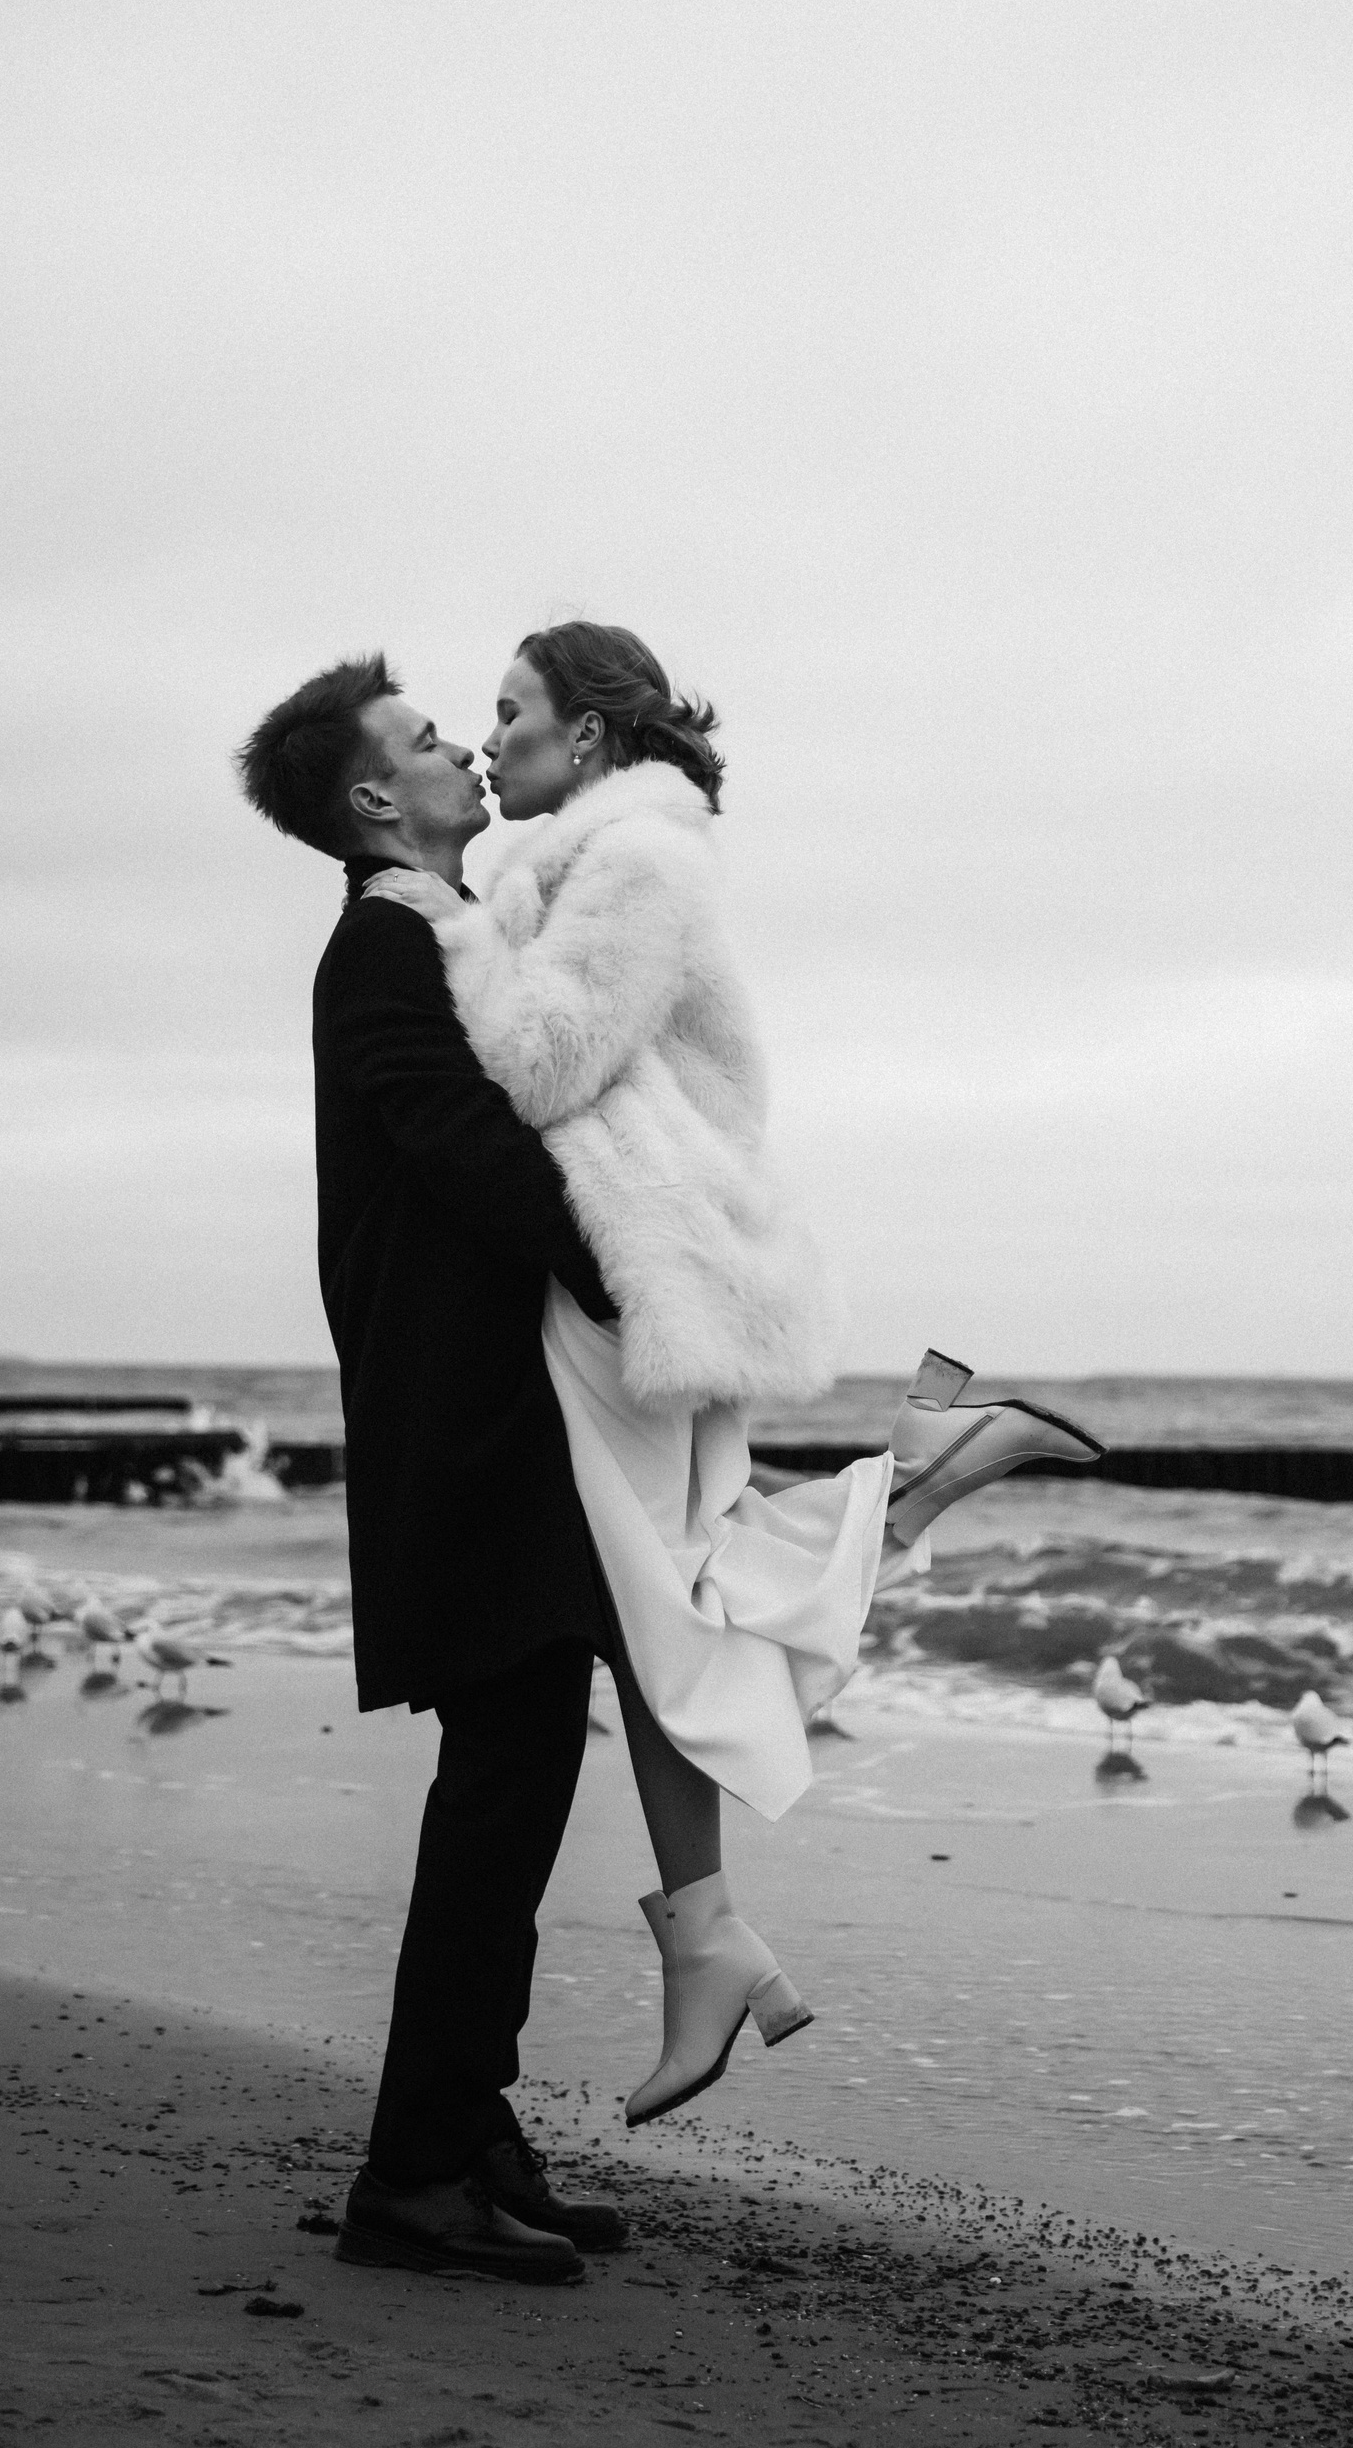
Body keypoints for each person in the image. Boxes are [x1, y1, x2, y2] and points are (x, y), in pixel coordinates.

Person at [364, 621, 1102, 2128]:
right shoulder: (586, 862)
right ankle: (705, 1936)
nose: (489, 740)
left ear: (587, 733)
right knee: (661, 1597)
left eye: (511, 711)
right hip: (646, 1273)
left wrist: (440, 922)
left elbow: (544, 1061)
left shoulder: (639, 864)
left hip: (650, 1272)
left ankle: (908, 1489)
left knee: (663, 1596)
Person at [236, 653, 632, 2288]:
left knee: (517, 1771)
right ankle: (412, 2173)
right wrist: (629, 1265)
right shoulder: (384, 942)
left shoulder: (443, 927)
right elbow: (466, 1149)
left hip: (489, 1413)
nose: (462, 747)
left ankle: (467, 2131)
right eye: (422, 741)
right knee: (503, 1784)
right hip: (459, 1422)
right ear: (369, 796)